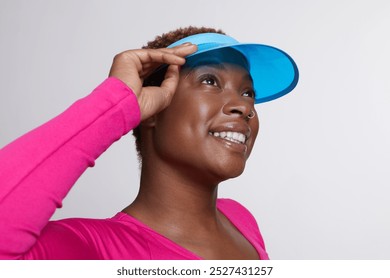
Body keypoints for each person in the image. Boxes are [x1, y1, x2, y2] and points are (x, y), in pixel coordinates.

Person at [0, 26, 298, 260]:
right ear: (153, 109)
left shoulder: (241, 221)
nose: (245, 107)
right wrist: (115, 105)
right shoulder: (93, 249)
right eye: (210, 81)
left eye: (248, 93)